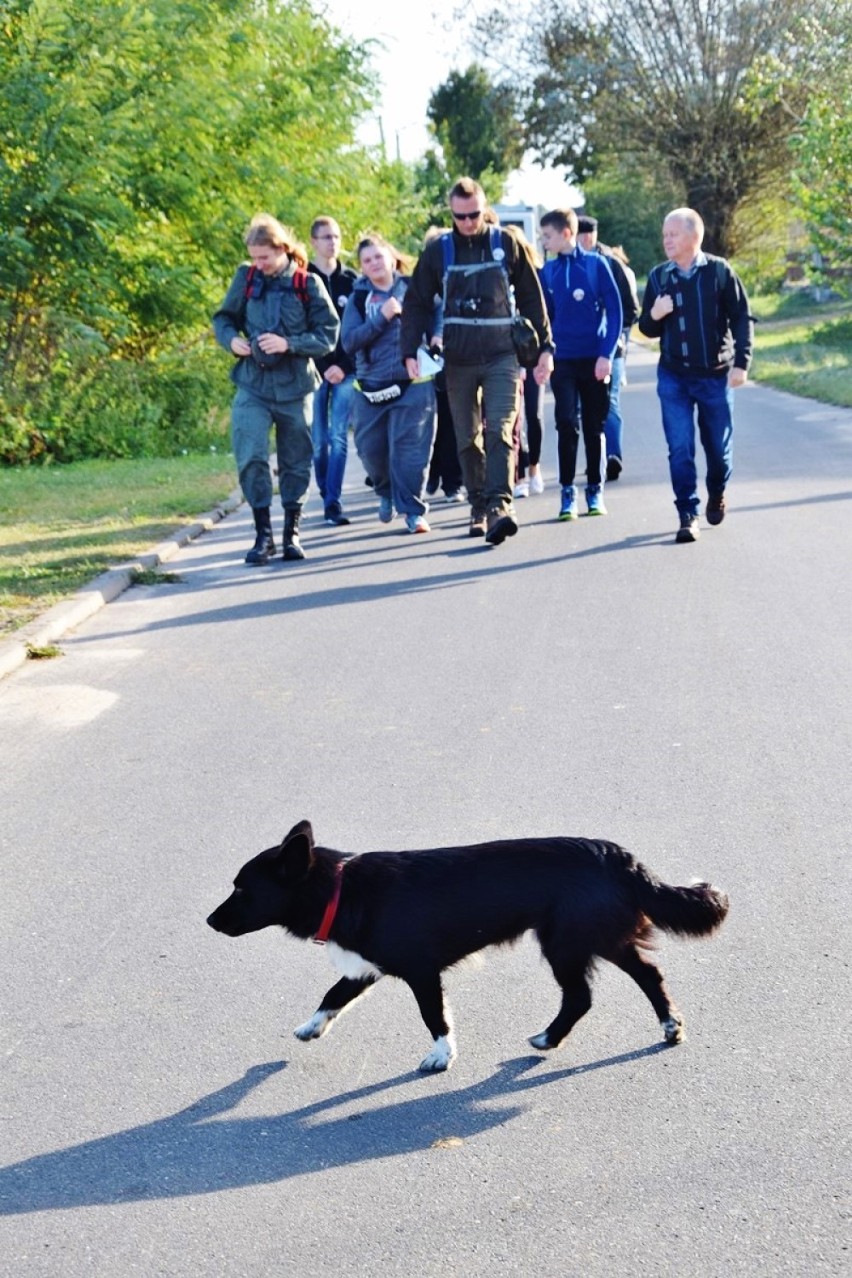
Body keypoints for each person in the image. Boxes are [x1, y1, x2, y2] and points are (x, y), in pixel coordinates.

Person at [400, 177, 553, 546]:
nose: (468, 223)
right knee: (468, 439)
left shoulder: (507, 243)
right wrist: (409, 351)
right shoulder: (440, 251)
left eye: (473, 215)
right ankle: (478, 505)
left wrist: (545, 348)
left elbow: (533, 297)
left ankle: (501, 506)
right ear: (451, 214)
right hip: (459, 359)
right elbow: (417, 301)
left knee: (500, 429)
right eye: (460, 216)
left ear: (484, 210)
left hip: (502, 354)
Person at [212, 214, 339, 564]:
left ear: (281, 249)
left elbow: (328, 335)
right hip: (253, 384)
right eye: (254, 256)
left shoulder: (307, 283)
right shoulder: (247, 277)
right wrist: (232, 340)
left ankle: (291, 534)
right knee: (251, 454)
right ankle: (262, 535)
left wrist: (289, 343)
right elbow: (223, 318)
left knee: (296, 460)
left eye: (264, 257)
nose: (259, 263)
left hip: (296, 386)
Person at [638, 207, 753, 544]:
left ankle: (716, 490)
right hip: (674, 376)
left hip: (715, 376)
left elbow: (742, 318)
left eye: (672, 234)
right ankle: (687, 513)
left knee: (718, 450)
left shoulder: (719, 272)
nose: (666, 240)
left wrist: (742, 363)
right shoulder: (659, 277)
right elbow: (645, 327)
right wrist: (655, 314)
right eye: (664, 235)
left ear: (693, 236)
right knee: (680, 448)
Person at [341, 234, 437, 534]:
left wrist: (437, 336)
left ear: (392, 258)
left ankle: (413, 511)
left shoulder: (413, 287)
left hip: (414, 383)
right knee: (372, 452)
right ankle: (385, 492)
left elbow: (439, 313)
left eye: (378, 257)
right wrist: (380, 318)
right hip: (371, 387)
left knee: (410, 452)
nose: (373, 264)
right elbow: (349, 342)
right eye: (366, 260)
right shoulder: (358, 298)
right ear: (362, 267)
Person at [539, 208, 623, 520]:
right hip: (563, 360)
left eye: (547, 236)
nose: (544, 241)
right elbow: (544, 319)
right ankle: (566, 492)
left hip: (594, 359)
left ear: (566, 234)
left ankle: (595, 489)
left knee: (593, 425)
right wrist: (543, 355)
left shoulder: (596, 265)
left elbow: (615, 312)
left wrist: (607, 354)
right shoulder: (547, 272)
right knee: (565, 423)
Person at [576, 215, 640, 481]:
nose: (584, 239)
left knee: (609, 400)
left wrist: (615, 332)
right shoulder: (568, 264)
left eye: (588, 234)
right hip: (579, 349)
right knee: (585, 406)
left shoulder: (610, 264)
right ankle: (596, 455)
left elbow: (631, 309)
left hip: (612, 347)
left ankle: (613, 455)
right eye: (581, 234)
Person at [307, 216, 358, 526]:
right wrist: (324, 367)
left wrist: (343, 366)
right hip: (313, 369)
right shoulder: (303, 278)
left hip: (346, 369)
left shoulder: (351, 281)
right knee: (319, 439)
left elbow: (359, 329)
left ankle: (332, 502)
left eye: (336, 236)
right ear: (313, 241)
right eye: (326, 237)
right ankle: (326, 490)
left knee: (339, 436)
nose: (332, 242)